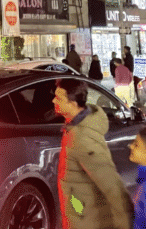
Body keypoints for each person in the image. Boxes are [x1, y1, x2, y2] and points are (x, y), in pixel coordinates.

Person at [53, 77, 133, 229]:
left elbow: (112, 185)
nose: (53, 101)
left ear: (73, 103)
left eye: (59, 98)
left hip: (88, 221)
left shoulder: (82, 138)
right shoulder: (74, 126)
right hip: (79, 214)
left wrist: (124, 224)